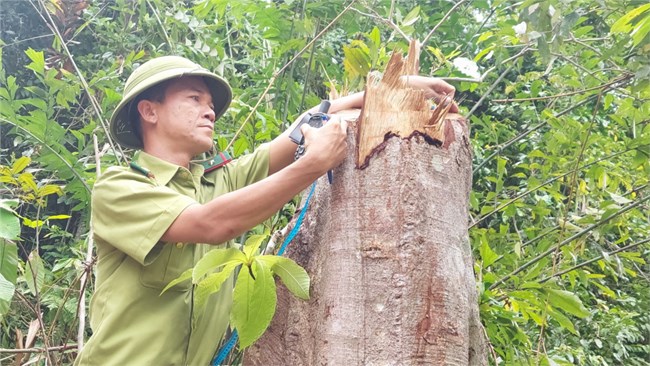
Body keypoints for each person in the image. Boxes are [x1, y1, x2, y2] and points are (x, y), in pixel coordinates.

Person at [74, 55, 457, 365]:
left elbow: (302, 128)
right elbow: (210, 223)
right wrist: (311, 165)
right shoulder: (120, 187)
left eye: (211, 105)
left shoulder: (216, 181)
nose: (209, 112)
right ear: (149, 111)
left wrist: (387, 91)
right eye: (194, 99)